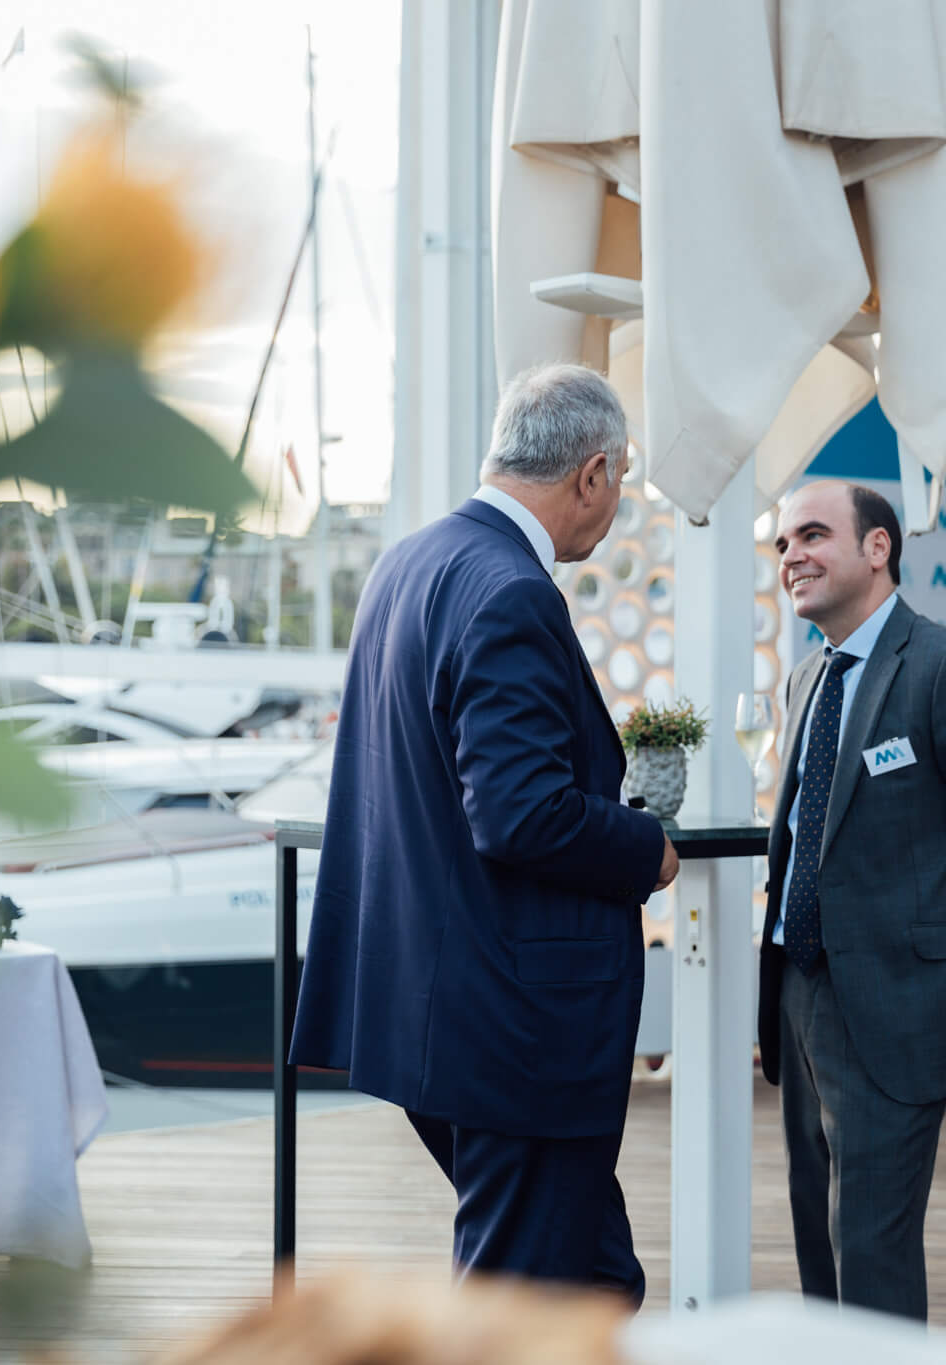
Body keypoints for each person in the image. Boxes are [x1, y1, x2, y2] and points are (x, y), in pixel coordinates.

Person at [290, 363, 678, 1303]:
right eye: (620, 482)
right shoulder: (511, 590)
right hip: (515, 1030)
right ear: (592, 474)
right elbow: (520, 812)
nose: (615, 505)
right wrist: (646, 848)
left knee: (597, 1279)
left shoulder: (405, 564)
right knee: (520, 1303)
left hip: (432, 1010)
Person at [759, 480, 946, 1321]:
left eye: (812, 535)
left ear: (878, 547)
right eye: (782, 544)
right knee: (817, 1237)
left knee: (871, 1254)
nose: (791, 556)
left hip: (898, 1004)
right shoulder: (805, 678)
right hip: (799, 991)